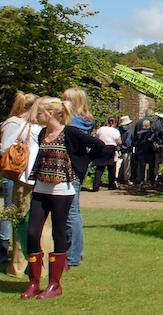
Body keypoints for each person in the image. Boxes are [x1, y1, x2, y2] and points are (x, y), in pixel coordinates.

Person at [23, 97, 104, 300]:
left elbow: (99, 146)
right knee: (32, 232)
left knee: (59, 233)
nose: (37, 116)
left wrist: (81, 164)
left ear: (51, 113)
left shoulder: (70, 132)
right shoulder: (43, 133)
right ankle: (34, 282)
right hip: (41, 188)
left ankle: (54, 284)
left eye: (40, 112)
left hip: (62, 190)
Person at [1, 92, 45, 274]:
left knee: (22, 218)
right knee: (15, 216)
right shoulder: (17, 124)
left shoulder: (31, 126)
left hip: (27, 177)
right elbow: (5, 149)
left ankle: (25, 263)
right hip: (18, 175)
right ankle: (12, 258)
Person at [61, 88, 95, 269]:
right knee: (73, 211)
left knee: (70, 212)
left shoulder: (72, 123)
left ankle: (72, 255)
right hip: (78, 168)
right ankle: (73, 253)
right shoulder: (87, 121)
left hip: (69, 169)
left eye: (65, 99)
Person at [92, 118, 122, 191]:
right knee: (111, 168)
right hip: (111, 149)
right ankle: (111, 185)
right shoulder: (115, 131)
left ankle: (96, 185)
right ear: (114, 123)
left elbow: (95, 137)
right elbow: (119, 141)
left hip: (101, 148)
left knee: (99, 168)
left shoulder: (101, 129)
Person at [132, 120, 157, 189]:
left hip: (141, 152)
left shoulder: (139, 133)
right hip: (150, 152)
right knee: (151, 168)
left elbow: (135, 142)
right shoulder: (152, 133)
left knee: (141, 168)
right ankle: (152, 181)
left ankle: (141, 181)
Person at [152, 112, 163, 185]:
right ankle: (161, 176)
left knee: (156, 163)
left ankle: (156, 177)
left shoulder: (154, 124)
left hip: (156, 146)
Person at [116, 116, 133, 187]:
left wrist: (119, 148)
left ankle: (115, 179)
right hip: (127, 150)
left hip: (118, 149)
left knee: (117, 165)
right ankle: (127, 180)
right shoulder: (129, 131)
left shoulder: (118, 129)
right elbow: (128, 142)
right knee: (127, 166)